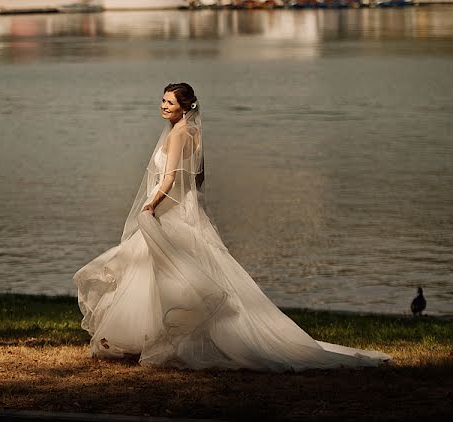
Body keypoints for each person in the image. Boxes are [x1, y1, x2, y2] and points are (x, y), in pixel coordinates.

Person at [73, 82, 395, 372]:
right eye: (162, 100)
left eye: (169, 102)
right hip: (184, 209)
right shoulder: (193, 132)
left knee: (158, 271)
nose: (163, 106)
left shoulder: (177, 134)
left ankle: (152, 339)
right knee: (164, 272)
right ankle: (147, 337)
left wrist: (152, 205)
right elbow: (195, 178)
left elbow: (170, 178)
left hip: (169, 210)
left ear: (185, 107)